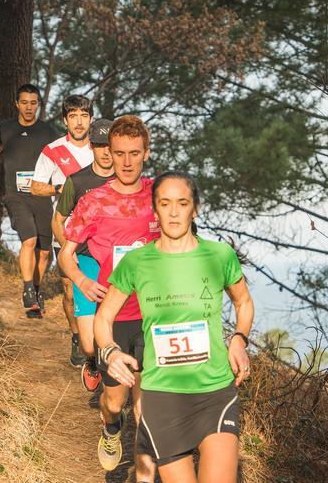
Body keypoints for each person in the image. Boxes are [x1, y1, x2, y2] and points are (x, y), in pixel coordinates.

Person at [94, 171, 254, 483]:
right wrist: (112, 352)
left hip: (215, 393)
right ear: (154, 210)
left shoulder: (219, 255)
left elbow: (243, 302)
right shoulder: (137, 262)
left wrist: (239, 339)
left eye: (182, 203)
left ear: (195, 209)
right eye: (165, 204)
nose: (174, 211)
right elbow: (103, 317)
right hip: (162, 397)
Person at [58, 115, 159, 480]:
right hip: (111, 317)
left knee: (147, 410)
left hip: (153, 316)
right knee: (115, 402)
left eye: (134, 153)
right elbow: (65, 255)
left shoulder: (159, 196)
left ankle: (142, 475)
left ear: (146, 153)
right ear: (109, 155)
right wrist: (82, 282)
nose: (127, 161)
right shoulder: (93, 201)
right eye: (120, 154)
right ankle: (111, 427)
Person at [0, 84, 59, 318]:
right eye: (25, 102)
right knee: (28, 239)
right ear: (17, 104)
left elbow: (63, 158)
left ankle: (37, 293)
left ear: (38, 105)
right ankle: (28, 289)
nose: (29, 107)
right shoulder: (7, 128)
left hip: (42, 196)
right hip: (16, 195)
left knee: (43, 252)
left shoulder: (48, 132)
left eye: (33, 103)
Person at [31, 95, 95, 365]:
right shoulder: (53, 150)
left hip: (99, 233)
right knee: (69, 288)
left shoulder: (103, 148)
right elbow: (35, 186)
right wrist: (62, 189)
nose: (79, 122)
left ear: (90, 118)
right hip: (65, 229)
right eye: (73, 116)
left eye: (83, 116)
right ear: (65, 120)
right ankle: (77, 337)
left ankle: (100, 343)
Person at [52, 118, 114, 381]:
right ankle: (91, 359)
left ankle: (114, 379)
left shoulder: (127, 180)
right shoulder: (77, 181)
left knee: (117, 324)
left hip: (118, 262)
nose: (106, 151)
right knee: (89, 343)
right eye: (100, 145)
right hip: (86, 260)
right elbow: (58, 220)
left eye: (109, 145)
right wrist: (70, 252)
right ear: (91, 146)